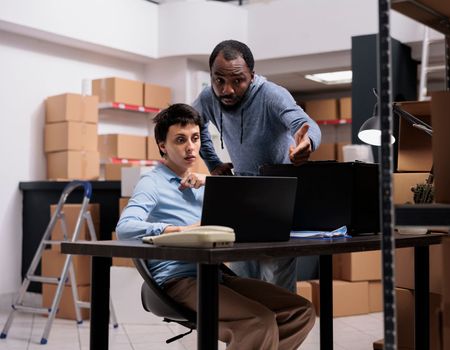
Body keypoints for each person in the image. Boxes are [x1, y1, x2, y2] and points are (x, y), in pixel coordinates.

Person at [116, 103, 316, 350]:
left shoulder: (200, 183)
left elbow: (240, 214)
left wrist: (211, 183)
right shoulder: (152, 182)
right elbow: (125, 227)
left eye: (195, 138)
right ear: (162, 146)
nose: (191, 147)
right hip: (178, 281)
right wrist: (180, 230)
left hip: (215, 275)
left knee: (301, 310)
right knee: (259, 322)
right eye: (180, 140)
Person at [193, 39, 322, 292]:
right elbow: (192, 124)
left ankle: (284, 330)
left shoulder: (272, 95)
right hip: (240, 193)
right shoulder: (209, 96)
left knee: (276, 282)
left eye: (237, 80)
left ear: (251, 76)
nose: (227, 90)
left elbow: (306, 124)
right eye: (219, 80)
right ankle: (256, 330)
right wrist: (213, 162)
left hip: (277, 196)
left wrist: (306, 142)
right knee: (244, 281)